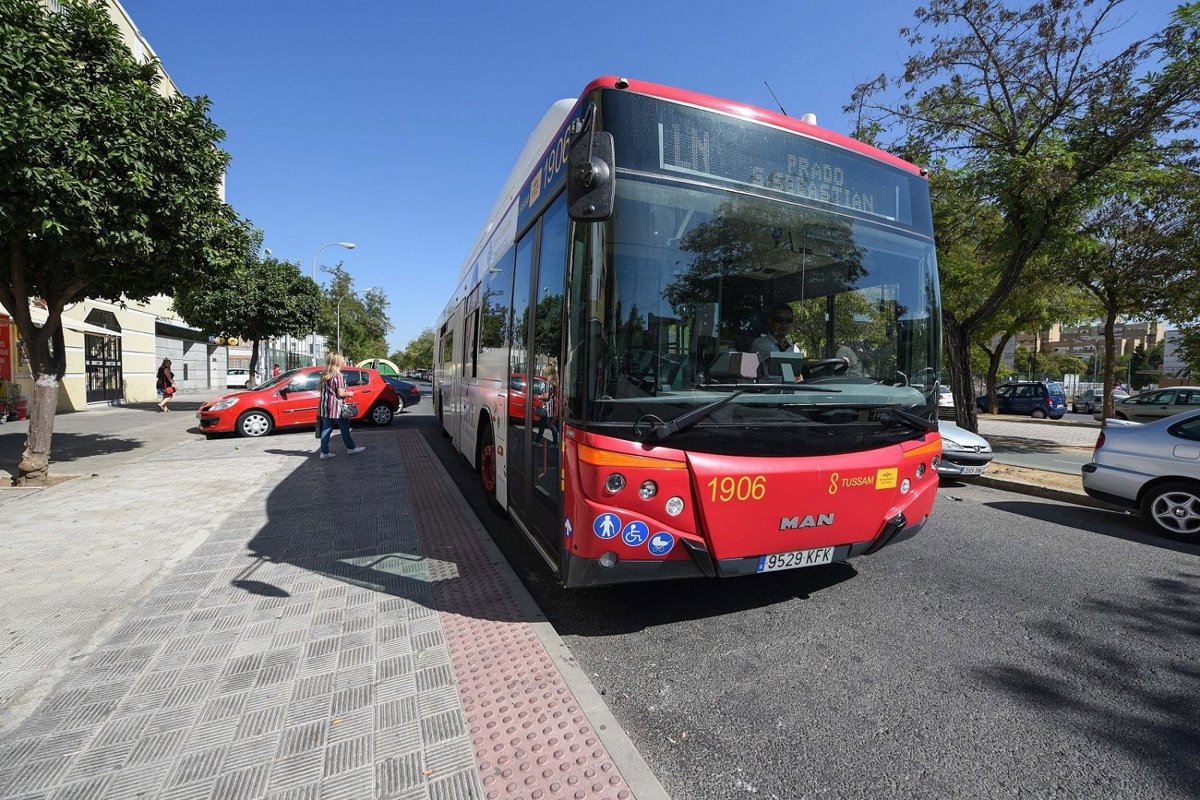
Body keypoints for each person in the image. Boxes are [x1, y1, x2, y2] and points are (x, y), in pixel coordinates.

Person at [317, 352, 366, 459]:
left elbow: (320, 390)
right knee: (344, 428)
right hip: (337, 408)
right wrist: (349, 394)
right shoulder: (338, 375)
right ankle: (351, 448)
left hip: (324, 406)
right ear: (339, 362)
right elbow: (341, 394)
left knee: (326, 429)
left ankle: (324, 452)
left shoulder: (324, 374)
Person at [751, 303, 804, 382]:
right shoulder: (760, 343)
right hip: (768, 389)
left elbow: (798, 377)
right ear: (770, 322)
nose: (784, 325)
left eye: (788, 321)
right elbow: (779, 361)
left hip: (791, 388)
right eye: (779, 320)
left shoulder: (794, 348)